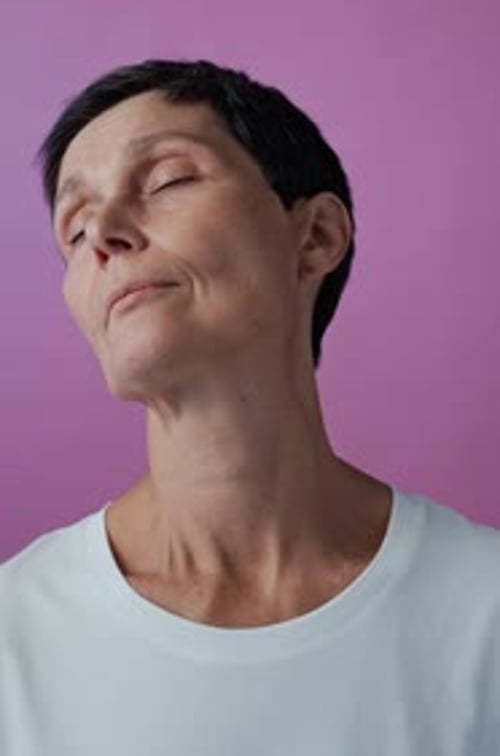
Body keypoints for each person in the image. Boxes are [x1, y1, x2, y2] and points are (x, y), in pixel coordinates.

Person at [1, 59, 499, 754]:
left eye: (169, 179)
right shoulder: (13, 638)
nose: (105, 235)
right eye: (75, 230)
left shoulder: (484, 613)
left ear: (316, 237)